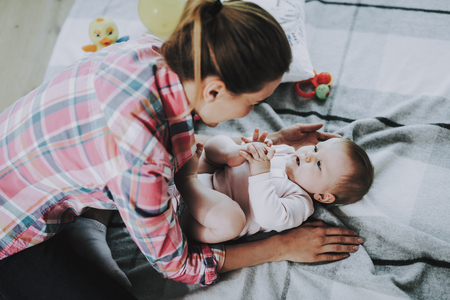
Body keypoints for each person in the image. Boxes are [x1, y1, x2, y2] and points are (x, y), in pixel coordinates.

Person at [0, 0, 364, 297]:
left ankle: (88, 220)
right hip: (12, 232)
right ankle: (83, 225)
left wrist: (277, 146)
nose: (251, 113)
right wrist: (282, 247)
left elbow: (181, 144)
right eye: (253, 103)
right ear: (215, 91)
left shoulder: (153, 50)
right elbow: (177, 265)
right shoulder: (143, 159)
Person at [174, 130, 374, 243]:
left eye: (319, 164)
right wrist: (247, 149)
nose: (308, 155)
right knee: (220, 142)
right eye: (315, 149)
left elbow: (268, 217)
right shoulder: (286, 152)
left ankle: (186, 181)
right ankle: (218, 159)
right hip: (209, 173)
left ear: (323, 196)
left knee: (231, 221)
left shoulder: (301, 202)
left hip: (198, 217)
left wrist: (260, 171)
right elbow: (241, 156)